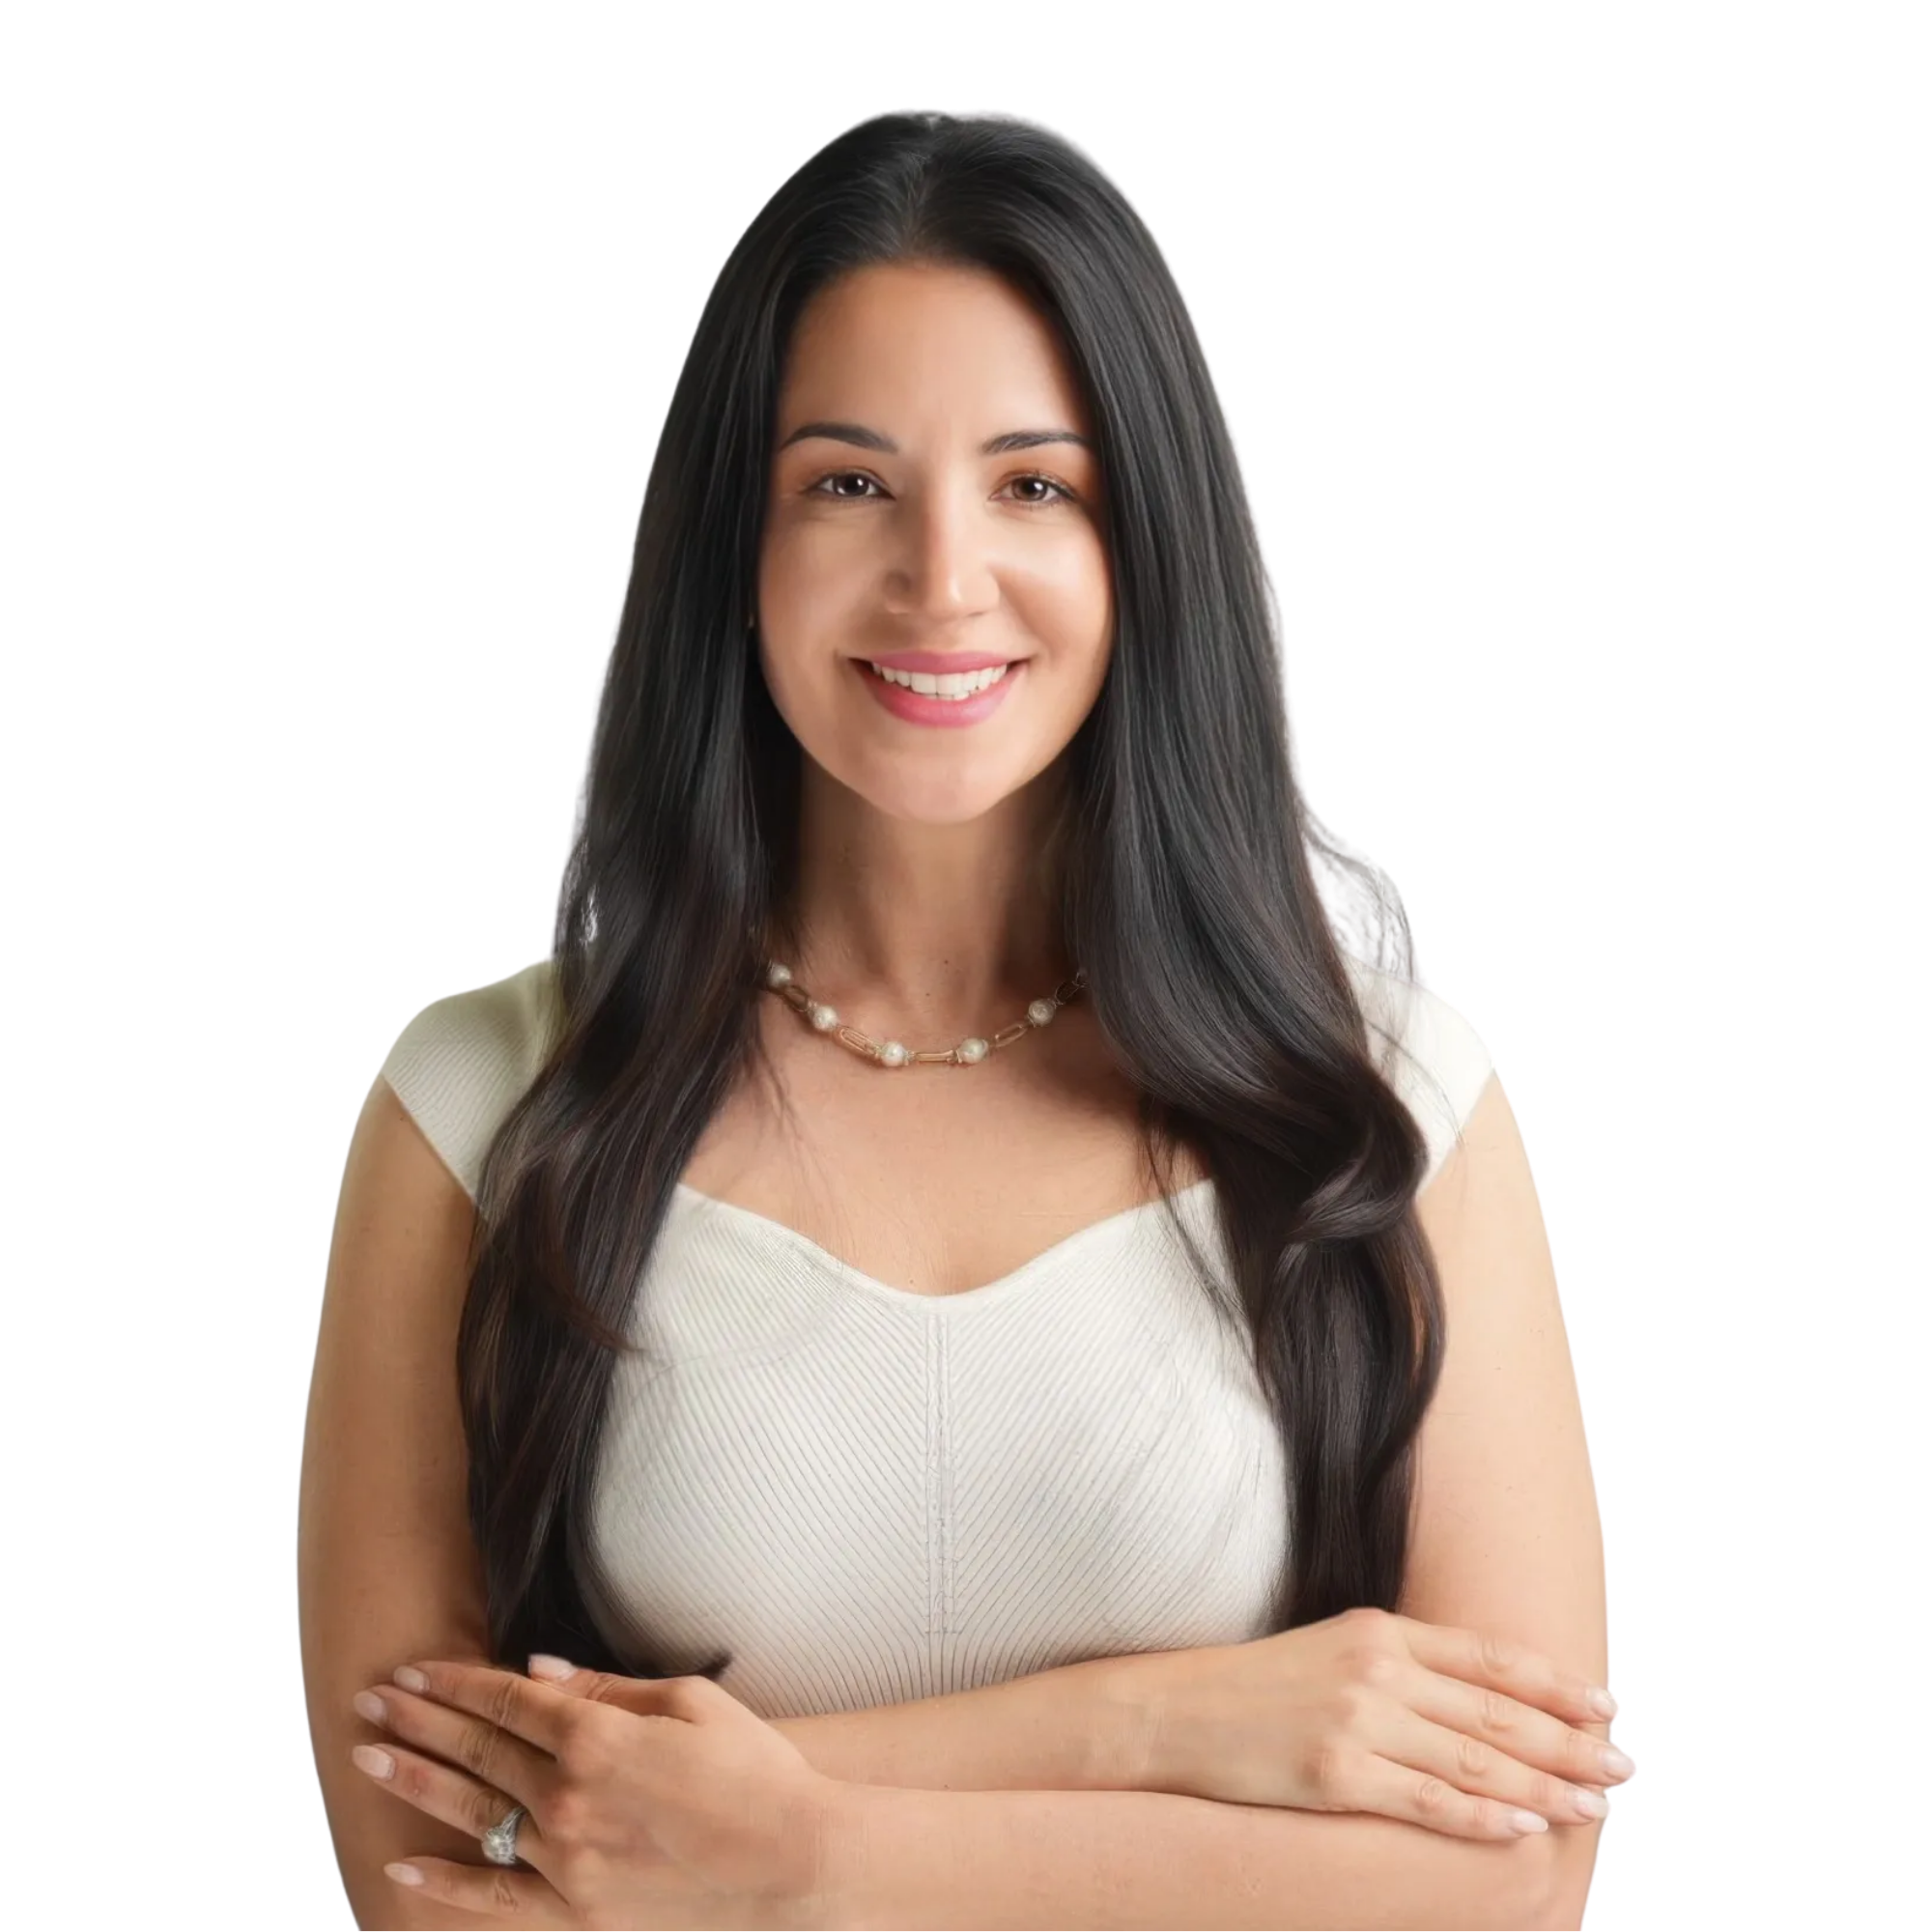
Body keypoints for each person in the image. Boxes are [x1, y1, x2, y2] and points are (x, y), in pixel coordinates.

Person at [298, 108, 1613, 1931]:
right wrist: (1179, 1727)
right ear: (730, 550)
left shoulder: (1396, 1102)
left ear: (1145, 541)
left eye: (1035, 484)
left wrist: (804, 1852)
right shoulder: (476, 1112)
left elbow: (1531, 1866)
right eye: (846, 483)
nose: (939, 578)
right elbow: (428, 1873)